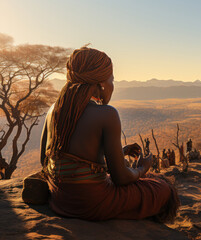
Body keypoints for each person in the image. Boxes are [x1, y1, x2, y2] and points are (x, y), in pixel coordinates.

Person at [40, 47, 179, 221]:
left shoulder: (53, 110)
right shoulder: (107, 114)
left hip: (60, 199)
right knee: (162, 188)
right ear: (100, 84)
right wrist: (143, 168)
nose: (112, 85)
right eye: (112, 79)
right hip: (92, 203)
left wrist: (120, 152)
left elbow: (45, 160)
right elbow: (120, 178)